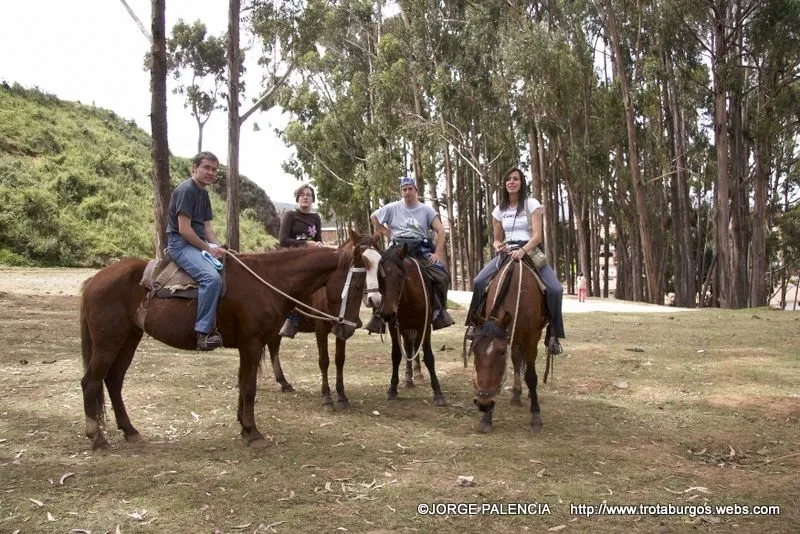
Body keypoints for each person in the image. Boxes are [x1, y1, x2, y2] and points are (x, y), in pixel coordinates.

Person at [464, 166, 565, 354]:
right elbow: (496, 238)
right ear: (504, 184)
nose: (511, 182)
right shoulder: (499, 210)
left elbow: (537, 236)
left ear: (521, 182)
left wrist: (523, 250)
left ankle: (554, 334)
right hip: (507, 252)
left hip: (530, 251)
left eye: (515, 179)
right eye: (508, 179)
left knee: (555, 289)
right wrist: (497, 245)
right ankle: (474, 324)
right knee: (479, 281)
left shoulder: (531, 204)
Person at [367, 176, 454, 331]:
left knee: (441, 275)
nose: (407, 192)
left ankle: (439, 312)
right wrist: (386, 232)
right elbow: (374, 217)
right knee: (380, 274)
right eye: (404, 189)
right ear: (401, 192)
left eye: (410, 189)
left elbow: (440, 231)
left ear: (416, 191)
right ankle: (377, 316)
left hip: (420, 248)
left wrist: (438, 254)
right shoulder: (392, 207)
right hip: (396, 249)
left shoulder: (426, 210)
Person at [166, 151, 227, 351]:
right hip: (181, 244)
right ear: (194, 168)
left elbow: (207, 227)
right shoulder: (187, 190)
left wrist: (218, 248)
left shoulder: (204, 193)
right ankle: (203, 332)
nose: (211, 172)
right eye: (206, 167)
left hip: (197, 243)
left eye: (214, 169)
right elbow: (184, 230)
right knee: (211, 279)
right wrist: (208, 248)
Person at [278, 184, 324, 338]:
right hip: (292, 257)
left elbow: (318, 240)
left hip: (312, 257)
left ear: (312, 199)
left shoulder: (316, 217)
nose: (305, 197)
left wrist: (318, 246)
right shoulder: (290, 215)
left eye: (309, 195)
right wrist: (306, 244)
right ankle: (293, 317)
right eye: (302, 194)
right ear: (297, 198)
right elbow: (283, 240)